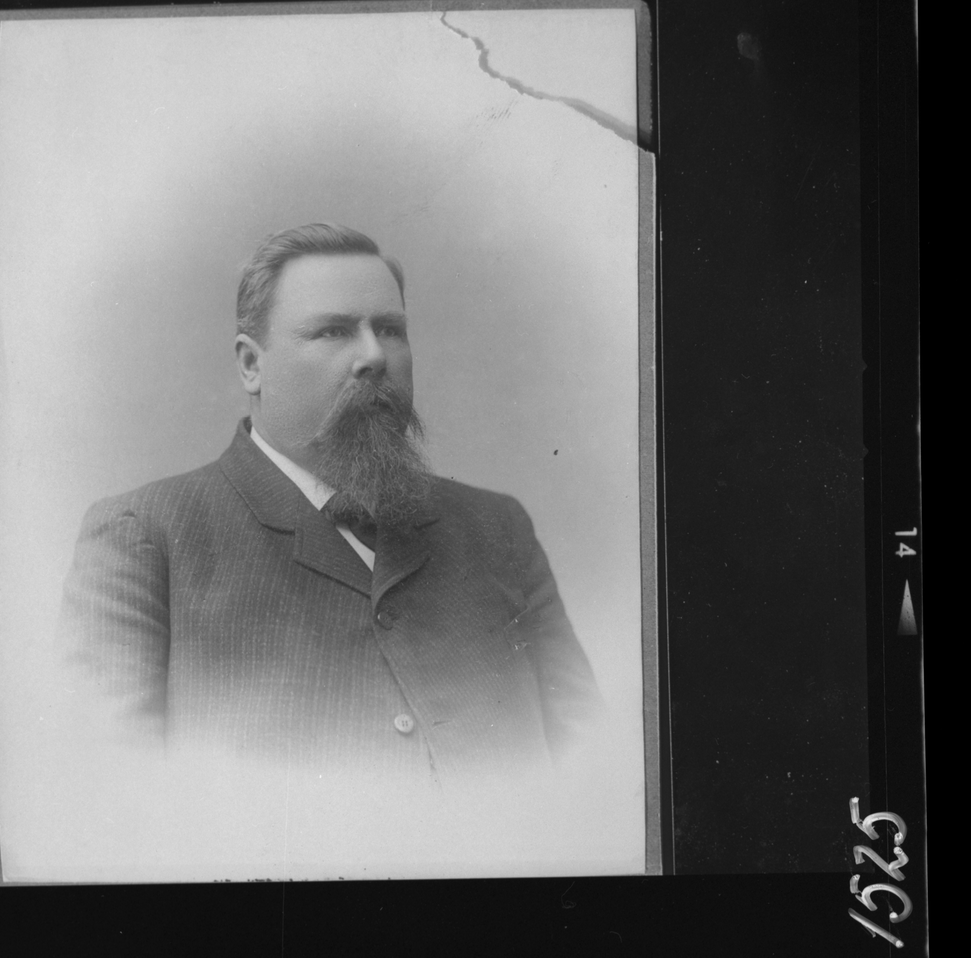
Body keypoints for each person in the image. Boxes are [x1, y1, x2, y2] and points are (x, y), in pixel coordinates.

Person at [59, 224, 599, 783]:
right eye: (333, 332)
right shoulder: (146, 538)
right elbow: (113, 793)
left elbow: (592, 767)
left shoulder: (497, 528)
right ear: (251, 365)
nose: (374, 356)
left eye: (389, 330)